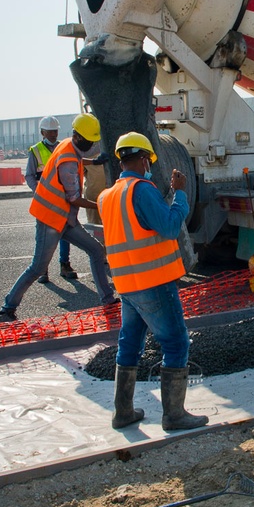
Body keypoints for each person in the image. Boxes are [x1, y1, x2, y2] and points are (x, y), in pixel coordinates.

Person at [98, 131, 208, 432]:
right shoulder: (142, 190)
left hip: (127, 285)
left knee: (129, 344)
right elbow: (171, 227)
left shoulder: (107, 197)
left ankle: (123, 412)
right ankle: (174, 415)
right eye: (149, 161)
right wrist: (179, 194)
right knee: (175, 342)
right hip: (154, 282)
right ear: (145, 158)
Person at [0, 113, 116, 322]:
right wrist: (100, 203)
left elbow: (79, 158)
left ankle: (108, 299)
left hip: (65, 219)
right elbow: (74, 198)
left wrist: (94, 161)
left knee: (96, 250)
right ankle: (8, 308)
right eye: (89, 142)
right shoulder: (68, 159)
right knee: (37, 268)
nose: (90, 144)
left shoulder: (69, 145)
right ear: (79, 137)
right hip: (50, 219)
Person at [25, 116, 78, 284]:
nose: (54, 134)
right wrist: (40, 193)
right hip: (46, 201)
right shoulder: (35, 150)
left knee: (64, 233)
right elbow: (29, 176)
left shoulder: (64, 147)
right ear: (42, 132)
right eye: (50, 131)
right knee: (43, 236)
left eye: (55, 131)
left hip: (63, 199)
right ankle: (43, 270)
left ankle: (65, 265)